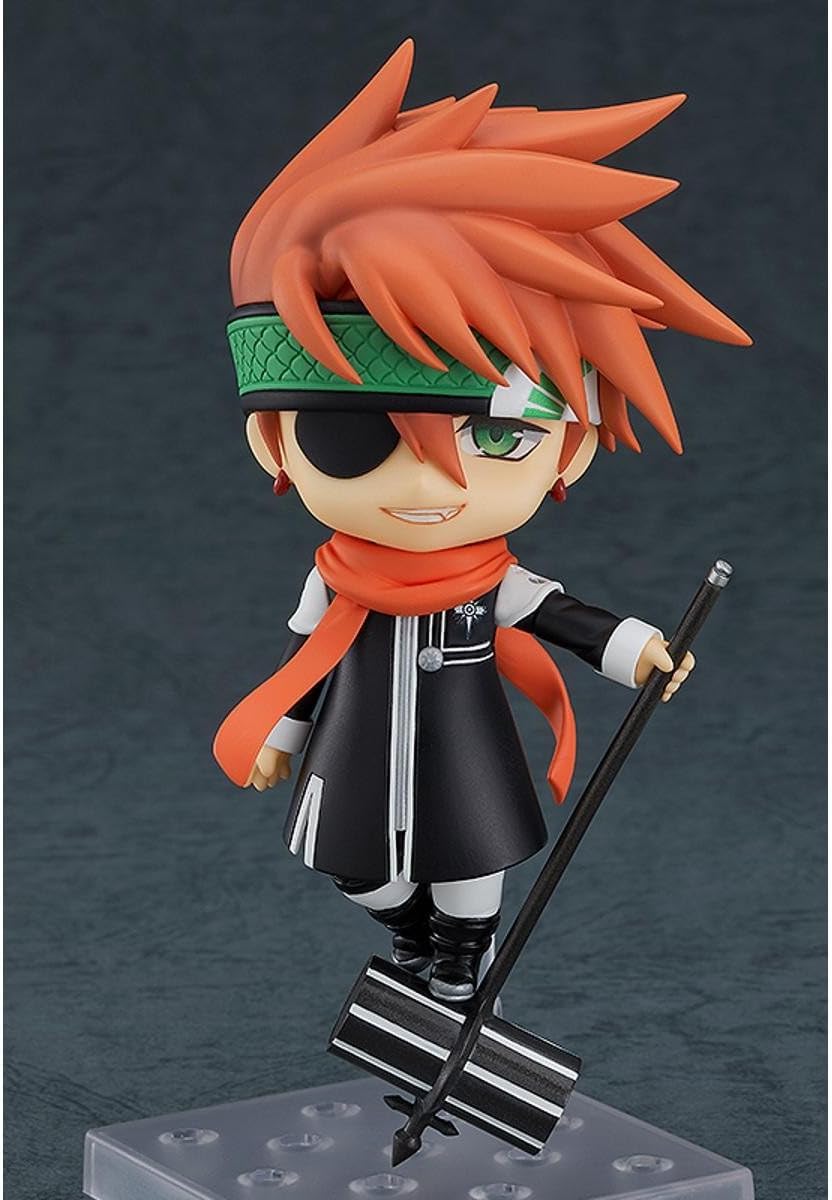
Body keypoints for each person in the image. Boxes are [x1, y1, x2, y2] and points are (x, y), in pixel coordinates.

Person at [213, 41, 749, 1001]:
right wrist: (283, 734)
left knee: (473, 860)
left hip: (466, 755)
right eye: (355, 438)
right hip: (355, 755)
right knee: (357, 869)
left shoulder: (490, 582)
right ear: (273, 444)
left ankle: (460, 964)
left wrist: (639, 651)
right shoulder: (334, 578)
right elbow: (308, 662)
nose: (433, 481)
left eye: (497, 440)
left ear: (570, 453)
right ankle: (409, 933)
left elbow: (564, 618)